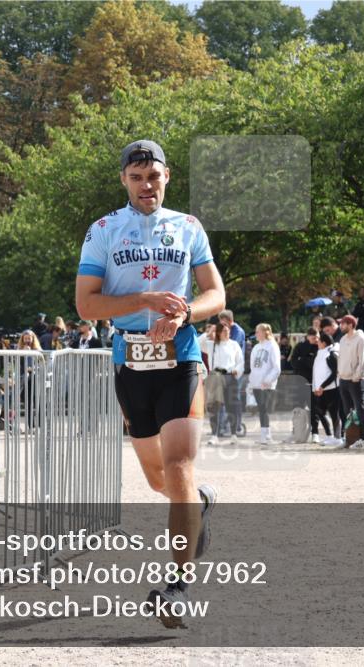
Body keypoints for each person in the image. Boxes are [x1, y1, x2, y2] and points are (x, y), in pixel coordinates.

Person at [74, 138, 225, 627]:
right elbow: (87, 306)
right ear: (124, 180)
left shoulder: (188, 227)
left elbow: (215, 294)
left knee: (179, 466)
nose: (146, 185)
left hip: (180, 357)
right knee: (158, 479)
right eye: (136, 177)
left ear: (167, 177)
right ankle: (199, 504)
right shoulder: (103, 230)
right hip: (130, 362)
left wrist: (183, 314)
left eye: (154, 176)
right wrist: (144, 300)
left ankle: (178, 588)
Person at [337, 315, 364, 448]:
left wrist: (356, 377)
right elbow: (341, 359)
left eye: (343, 324)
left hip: (356, 380)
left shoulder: (361, 339)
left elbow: (362, 361)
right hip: (343, 379)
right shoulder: (343, 339)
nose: (340, 326)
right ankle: (349, 438)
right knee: (347, 411)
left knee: (360, 410)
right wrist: (340, 374)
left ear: (350, 324)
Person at [248, 323, 281, 445]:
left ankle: (267, 435)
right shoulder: (256, 347)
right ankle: (264, 435)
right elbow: (253, 367)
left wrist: (267, 380)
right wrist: (252, 382)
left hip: (267, 384)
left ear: (265, 332)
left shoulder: (272, 346)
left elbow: (276, 367)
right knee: (261, 409)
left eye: (258, 331)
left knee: (265, 409)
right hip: (256, 383)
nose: (256, 334)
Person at [218, 309, 247, 437]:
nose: (222, 325)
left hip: (234, 371)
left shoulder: (237, 332)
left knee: (234, 400)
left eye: (223, 323)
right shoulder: (230, 330)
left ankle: (237, 426)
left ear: (230, 321)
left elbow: (228, 347)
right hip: (225, 372)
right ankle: (224, 426)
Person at [311, 331, 342, 446]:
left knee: (334, 413)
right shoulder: (320, 353)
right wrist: (316, 387)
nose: (317, 342)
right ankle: (330, 436)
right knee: (320, 412)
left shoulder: (331, 354)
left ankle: (338, 437)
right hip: (320, 390)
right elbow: (317, 372)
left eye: (319, 341)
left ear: (324, 343)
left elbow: (335, 373)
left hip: (332, 389)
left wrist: (322, 386)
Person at [16, 329, 42, 429]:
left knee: (37, 399)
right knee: (27, 400)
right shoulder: (19, 350)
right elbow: (17, 363)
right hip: (24, 377)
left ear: (32, 339)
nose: (27, 340)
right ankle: (30, 424)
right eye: (25, 338)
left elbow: (42, 363)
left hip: (35, 376)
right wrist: (23, 352)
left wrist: (34, 367)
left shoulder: (37, 349)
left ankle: (39, 423)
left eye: (29, 338)